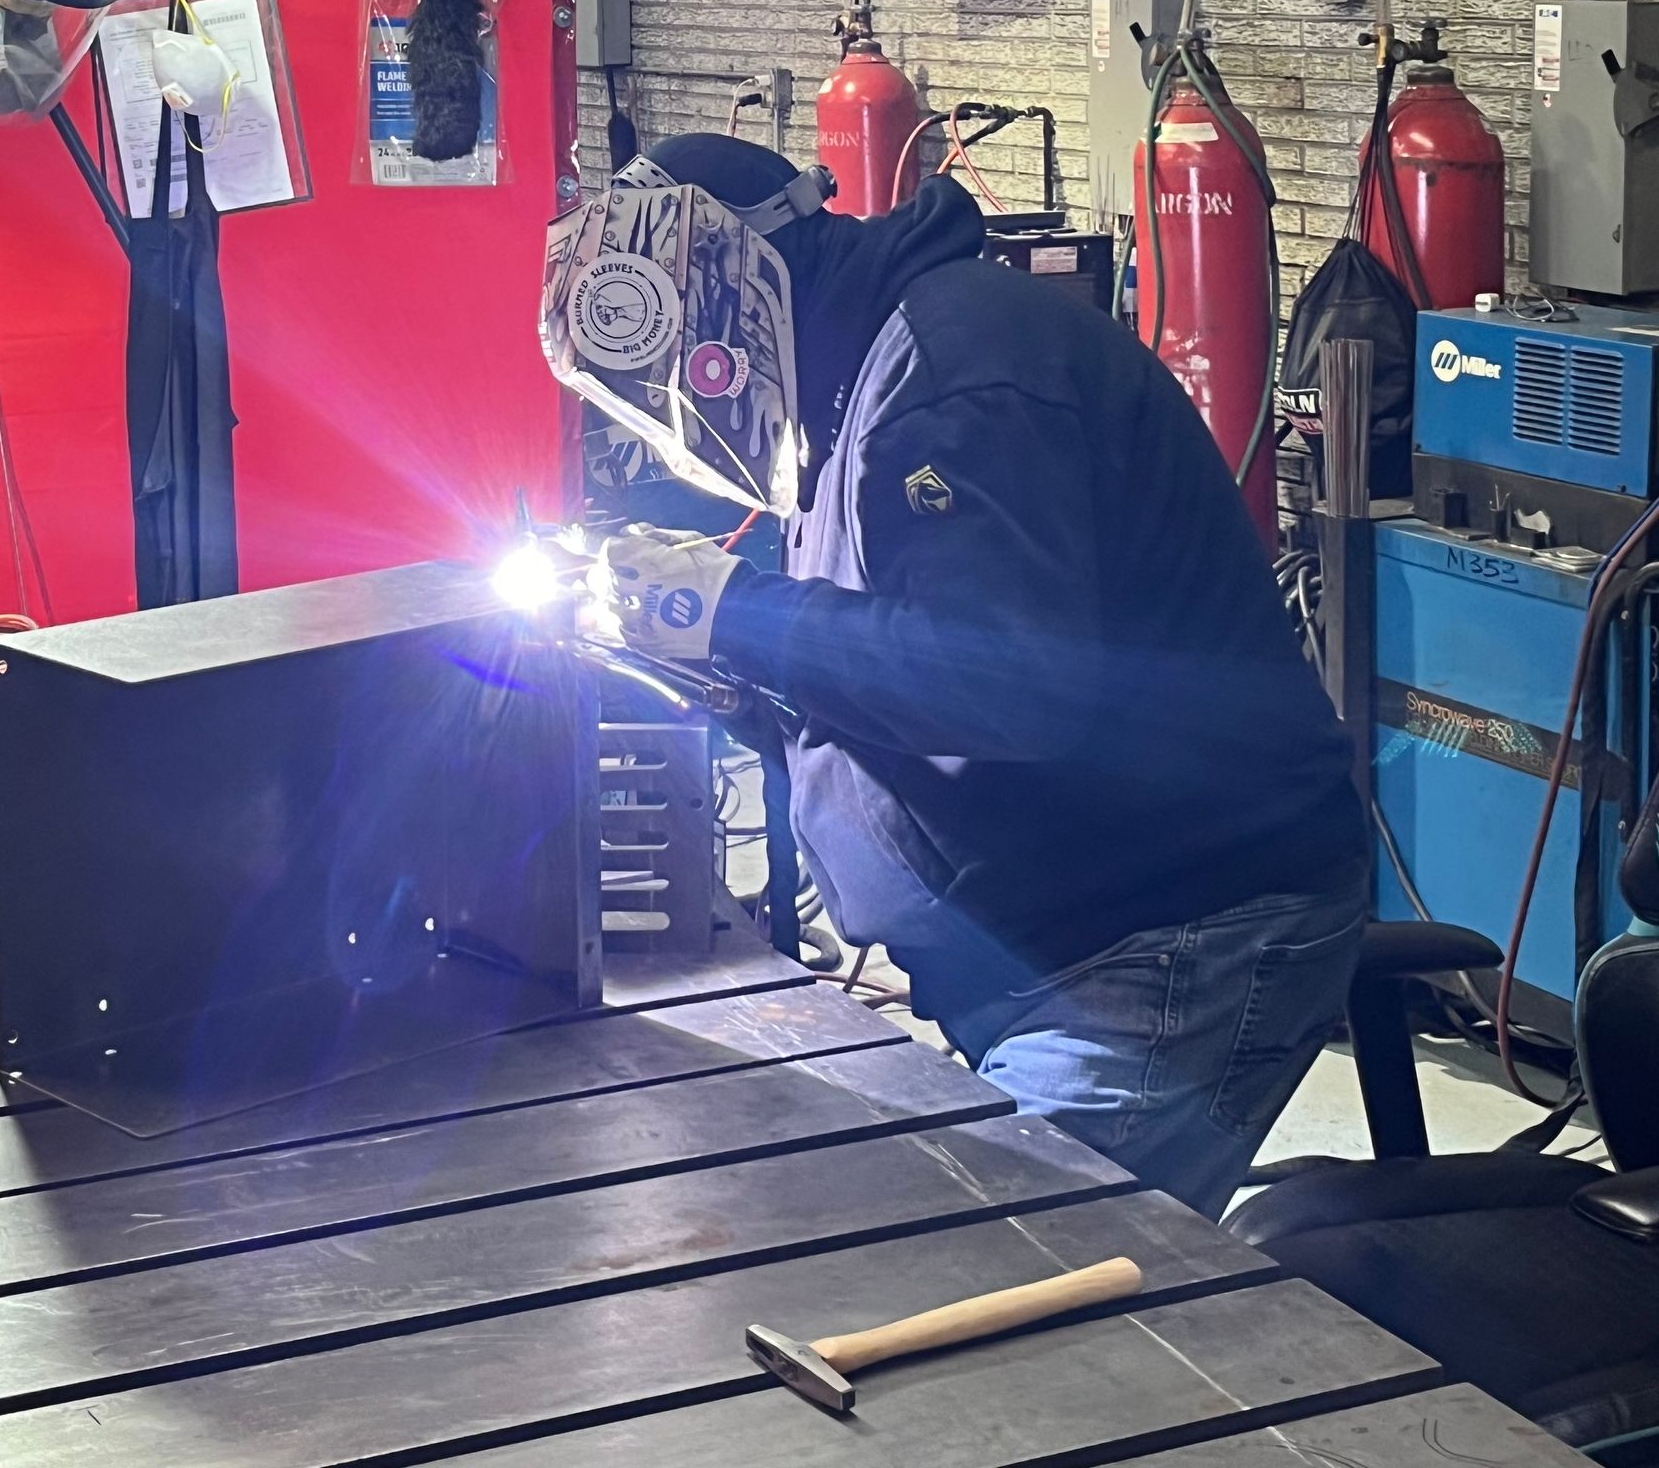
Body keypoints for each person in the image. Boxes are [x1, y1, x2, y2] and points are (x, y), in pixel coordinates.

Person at [540, 133, 1368, 1218]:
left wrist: (730, 612)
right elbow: (888, 662)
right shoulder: (857, 390)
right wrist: (729, 670)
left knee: (989, 1274)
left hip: (1171, 941)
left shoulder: (958, 376)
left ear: (734, 290)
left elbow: (1010, 686)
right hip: (1050, 946)